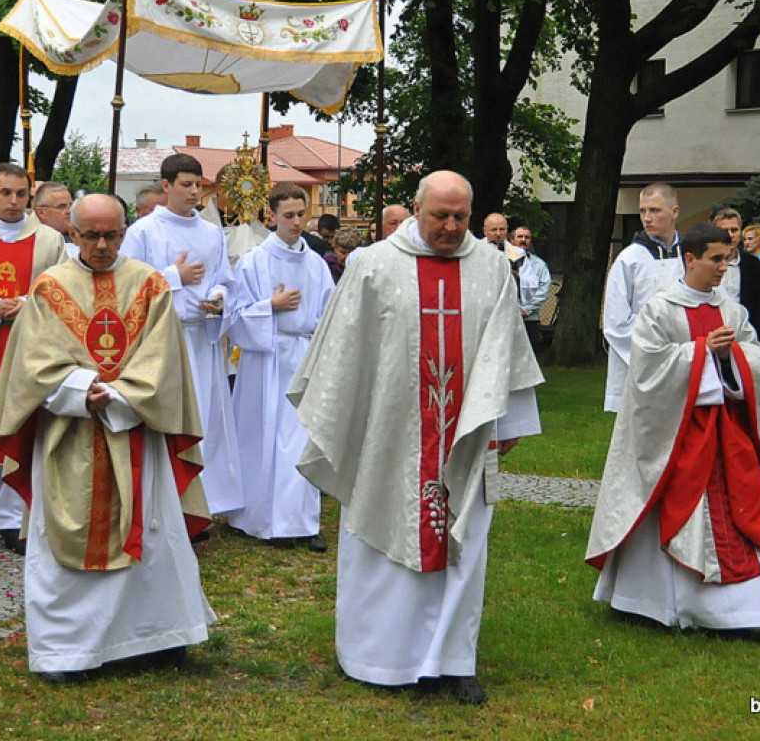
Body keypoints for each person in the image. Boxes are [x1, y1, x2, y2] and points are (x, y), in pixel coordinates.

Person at [289, 170, 543, 704]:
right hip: (389, 434)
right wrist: (344, 420)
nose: (450, 227)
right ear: (417, 209)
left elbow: (507, 348)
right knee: (382, 533)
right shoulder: (373, 265)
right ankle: (377, 657)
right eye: (439, 216)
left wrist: (512, 421)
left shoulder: (492, 268)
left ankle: (454, 662)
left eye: (460, 217)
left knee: (464, 547)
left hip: (464, 434)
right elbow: (342, 352)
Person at [0, 193, 216, 683]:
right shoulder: (48, 289)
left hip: (136, 430)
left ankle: (156, 636)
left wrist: (121, 395)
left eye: (112, 234)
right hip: (68, 434)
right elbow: (31, 366)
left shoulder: (149, 285)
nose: (102, 244)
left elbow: (164, 360)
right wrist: (77, 391)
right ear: (72, 233)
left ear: (126, 230)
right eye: (91, 235)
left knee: (152, 535)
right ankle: (67, 651)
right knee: (65, 539)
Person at [587, 224, 760, 637]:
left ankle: (736, 613)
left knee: (735, 508)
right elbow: (646, 371)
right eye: (716, 259)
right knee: (671, 505)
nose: (724, 269)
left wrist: (733, 358)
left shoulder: (732, 310)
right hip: (674, 433)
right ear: (690, 259)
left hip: (724, 435)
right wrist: (701, 352)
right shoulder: (660, 309)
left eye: (728, 260)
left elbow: (758, 361)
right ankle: (654, 602)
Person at [120, 153, 243, 517]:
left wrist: (218, 299)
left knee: (206, 419)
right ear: (166, 185)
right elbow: (127, 287)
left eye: (198, 185)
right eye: (186, 185)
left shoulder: (210, 232)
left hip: (202, 339)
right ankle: (167, 501)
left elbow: (224, 279)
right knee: (172, 419)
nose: (194, 192)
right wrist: (173, 277)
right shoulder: (143, 231)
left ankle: (206, 502)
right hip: (164, 339)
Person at [0, 163, 66, 553]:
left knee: (18, 428)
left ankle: (10, 518)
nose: (14, 202)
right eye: (6, 193)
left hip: (27, 346)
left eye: (21, 194)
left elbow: (60, 290)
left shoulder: (50, 240)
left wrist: (30, 302)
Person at [228, 184, 335, 552]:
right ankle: (259, 519)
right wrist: (268, 306)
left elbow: (330, 314)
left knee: (301, 441)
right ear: (271, 215)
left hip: (303, 355)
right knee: (265, 439)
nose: (295, 222)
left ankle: (303, 522)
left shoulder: (316, 264)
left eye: (300, 214)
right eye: (287, 215)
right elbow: (236, 317)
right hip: (266, 358)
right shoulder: (253, 261)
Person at [603, 182, 685, 412]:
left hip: (685, 361)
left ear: (674, 212)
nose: (647, 218)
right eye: (642, 211)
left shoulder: (690, 256)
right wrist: (655, 353)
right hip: (641, 363)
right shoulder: (628, 260)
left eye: (655, 210)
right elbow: (615, 324)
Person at [712, 207, 760, 342]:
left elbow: (758, 308)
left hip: (743, 334)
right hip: (712, 333)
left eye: (734, 230)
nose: (730, 235)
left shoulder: (752, 264)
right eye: (724, 231)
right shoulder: (706, 263)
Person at [509, 225, 551, 349]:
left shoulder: (539, 265)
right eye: (520, 236)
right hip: (507, 318)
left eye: (527, 237)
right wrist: (514, 308)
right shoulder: (502, 262)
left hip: (530, 319)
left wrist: (526, 309)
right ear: (512, 240)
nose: (523, 240)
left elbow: (543, 289)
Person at [32, 182, 75, 255]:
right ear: (41, 212)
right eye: (61, 206)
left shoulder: (81, 238)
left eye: (71, 205)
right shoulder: (32, 243)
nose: (69, 211)